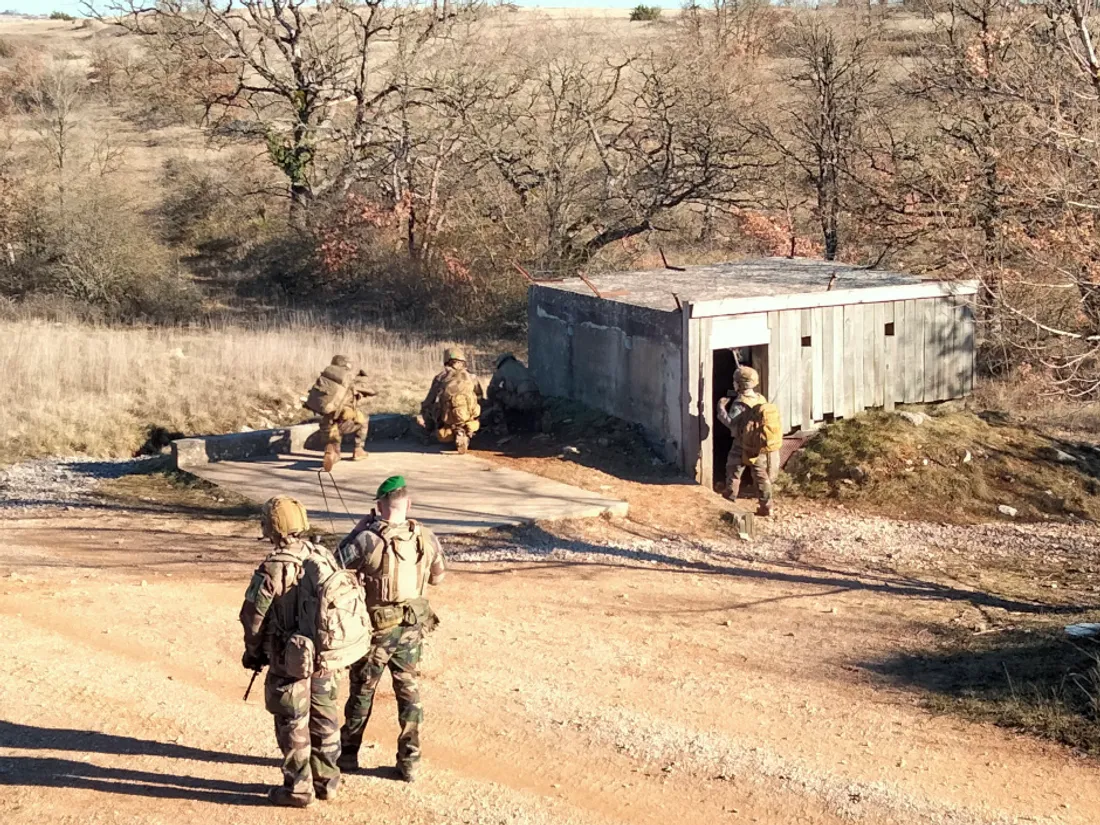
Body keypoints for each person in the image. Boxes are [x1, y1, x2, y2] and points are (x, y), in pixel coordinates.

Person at [335, 476, 446, 783]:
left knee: (361, 692)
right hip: (411, 627)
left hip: (376, 631)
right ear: (408, 504)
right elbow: (438, 577)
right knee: (408, 692)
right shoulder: (425, 536)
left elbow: (335, 563)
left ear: (379, 506)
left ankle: (347, 756)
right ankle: (410, 761)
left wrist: (358, 529)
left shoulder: (368, 538)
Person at [239, 496, 346, 808]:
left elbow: (253, 618)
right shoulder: (323, 555)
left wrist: (253, 652)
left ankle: (298, 789)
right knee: (325, 716)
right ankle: (327, 782)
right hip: (326, 655)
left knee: (292, 720)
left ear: (272, 528)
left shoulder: (273, 568)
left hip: (291, 658)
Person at [716, 365, 782, 516]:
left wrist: (721, 408)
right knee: (760, 475)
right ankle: (766, 506)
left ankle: (729, 501)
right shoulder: (760, 398)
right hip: (758, 444)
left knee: (733, 470)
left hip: (741, 443)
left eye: (735, 381)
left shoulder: (739, 403)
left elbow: (731, 423)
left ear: (739, 384)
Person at [304, 355, 376, 472]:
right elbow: (372, 391)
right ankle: (358, 449)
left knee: (332, 430)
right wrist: (363, 378)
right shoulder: (349, 381)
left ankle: (333, 452)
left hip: (326, 426)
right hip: (344, 424)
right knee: (364, 419)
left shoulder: (325, 380)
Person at [418, 347, 482, 453]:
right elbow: (479, 395)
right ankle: (469, 431)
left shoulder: (440, 377)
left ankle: (428, 432)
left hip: (447, 415)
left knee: (428, 408)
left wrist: (425, 410)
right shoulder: (472, 377)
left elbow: (430, 399)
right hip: (468, 413)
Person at [485, 352, 542, 434]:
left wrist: (490, 402)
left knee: (498, 393)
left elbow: (492, 388)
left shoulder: (502, 369)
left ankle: (500, 426)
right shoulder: (521, 366)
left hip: (522, 399)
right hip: (536, 397)